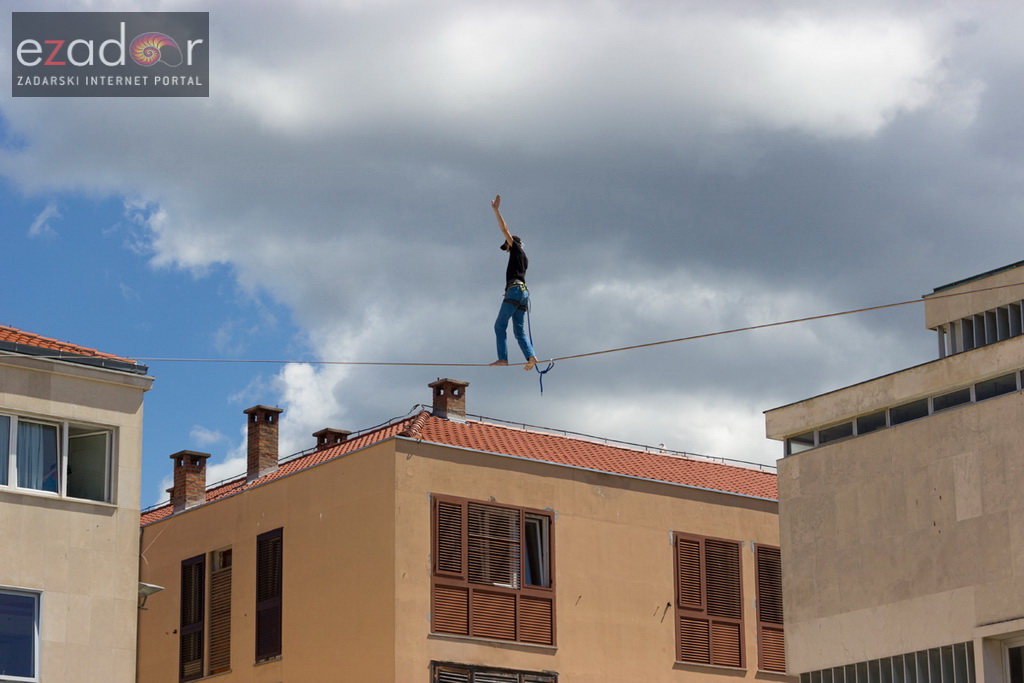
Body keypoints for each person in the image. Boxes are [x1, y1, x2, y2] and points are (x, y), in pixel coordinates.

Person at [489, 194, 539, 370]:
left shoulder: (517, 249)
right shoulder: (524, 258)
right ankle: (531, 356)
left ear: (513, 244)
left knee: (499, 326)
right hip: (522, 293)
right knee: (519, 331)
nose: (506, 250)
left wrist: (496, 210)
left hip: (516, 291)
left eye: (507, 246)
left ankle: (503, 358)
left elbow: (505, 229)